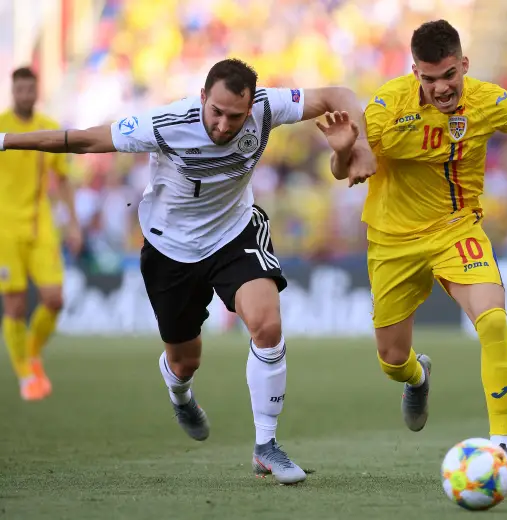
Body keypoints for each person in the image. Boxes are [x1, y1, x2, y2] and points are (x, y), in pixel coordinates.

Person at [0, 58, 375, 484]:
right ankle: (179, 391)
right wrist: (6, 140)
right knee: (184, 361)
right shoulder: (165, 123)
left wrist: (360, 145)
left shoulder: (267, 108)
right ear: (202, 97)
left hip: (234, 233)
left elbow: (338, 95)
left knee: (267, 326)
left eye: (235, 116)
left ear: (251, 106)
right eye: (215, 112)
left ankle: (266, 446)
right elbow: (84, 141)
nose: (222, 125)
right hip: (170, 249)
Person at [317, 20, 507, 488]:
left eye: (449, 75)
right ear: (415, 72)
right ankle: (417, 376)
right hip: (392, 241)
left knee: (493, 320)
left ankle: (502, 450)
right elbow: (344, 170)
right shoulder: (387, 106)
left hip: (457, 229)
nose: (441, 88)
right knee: (392, 361)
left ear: (463, 66)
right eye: (429, 79)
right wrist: (342, 153)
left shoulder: (490, 101)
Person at [0, 67, 82, 401]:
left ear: (37, 91)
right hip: (5, 230)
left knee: (54, 299)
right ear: (12, 91)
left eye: (30, 89)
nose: (25, 95)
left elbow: (62, 180)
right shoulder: (2, 127)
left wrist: (73, 223)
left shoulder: (48, 128)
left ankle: (32, 353)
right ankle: (25, 376)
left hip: (41, 226)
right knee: (15, 306)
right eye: (20, 89)